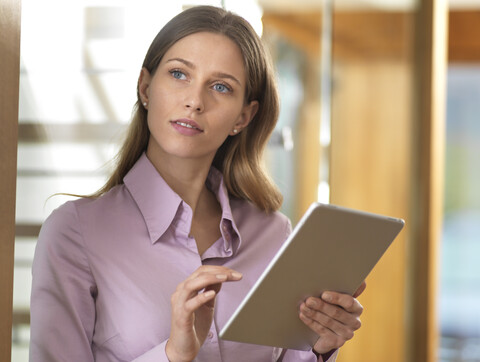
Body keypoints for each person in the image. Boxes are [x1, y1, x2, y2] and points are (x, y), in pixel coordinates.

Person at [30, 5, 365, 362]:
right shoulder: (76, 234)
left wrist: (319, 347)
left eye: (220, 86)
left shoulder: (273, 235)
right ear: (145, 87)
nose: (195, 101)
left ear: (243, 116)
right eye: (178, 74)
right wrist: (173, 354)